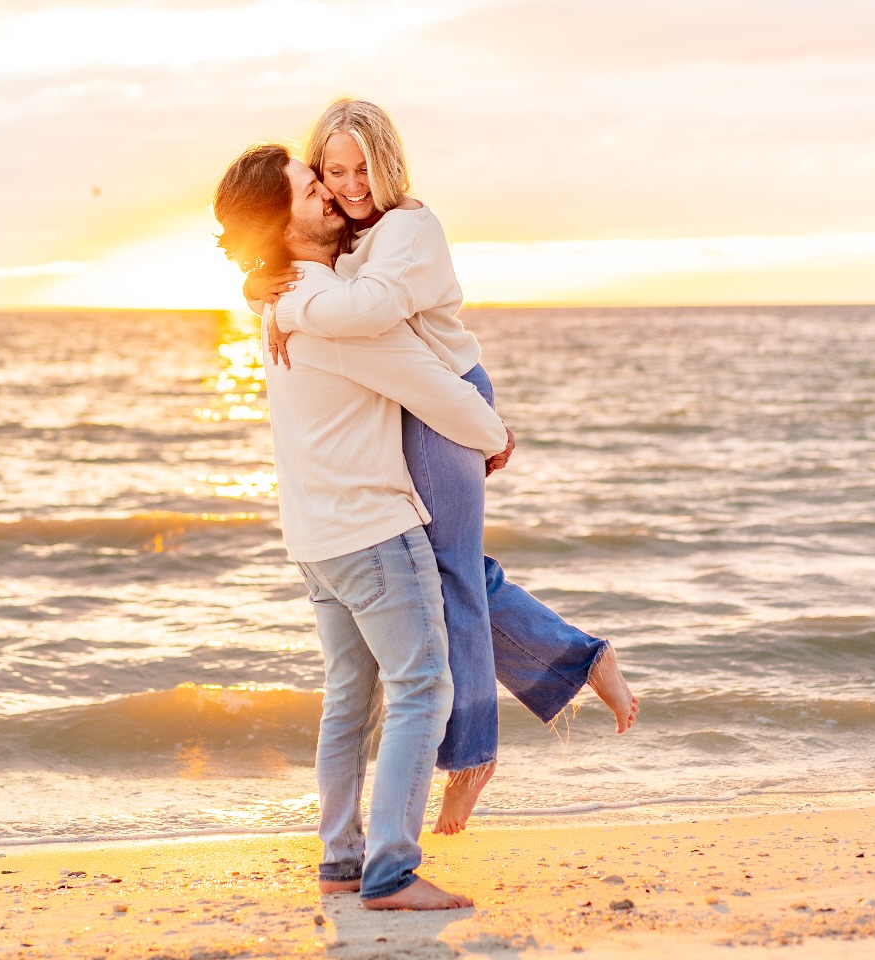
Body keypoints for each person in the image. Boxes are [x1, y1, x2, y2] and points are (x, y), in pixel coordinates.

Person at [246, 99, 639, 835]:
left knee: (449, 577)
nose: (349, 185)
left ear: (389, 163)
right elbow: (325, 284)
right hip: (417, 405)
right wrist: (261, 283)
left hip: (445, 404)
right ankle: (579, 661)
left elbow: (370, 311)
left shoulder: (410, 228)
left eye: (363, 167)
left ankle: (471, 759)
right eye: (333, 171)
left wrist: (287, 309)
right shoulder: (351, 237)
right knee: (451, 573)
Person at [213, 142, 510, 910]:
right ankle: (390, 872)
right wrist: (493, 433)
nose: (330, 196)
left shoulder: (284, 299)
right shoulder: (332, 309)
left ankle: (342, 859)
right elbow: (432, 389)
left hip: (315, 540)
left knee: (350, 698)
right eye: (312, 189)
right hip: (373, 530)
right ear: (286, 223)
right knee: (422, 690)